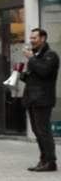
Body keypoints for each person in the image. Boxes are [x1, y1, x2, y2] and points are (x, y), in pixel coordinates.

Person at [22, 28, 59, 172]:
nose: (32, 40)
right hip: (32, 98)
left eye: (35, 38)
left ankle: (51, 161)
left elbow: (44, 72)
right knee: (37, 131)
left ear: (43, 38)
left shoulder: (51, 55)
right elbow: (35, 77)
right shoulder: (36, 56)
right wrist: (22, 75)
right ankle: (43, 159)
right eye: (31, 38)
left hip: (43, 98)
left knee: (43, 131)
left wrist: (31, 59)